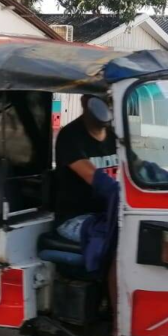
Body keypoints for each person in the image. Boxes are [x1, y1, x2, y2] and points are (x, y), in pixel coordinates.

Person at [54, 95, 118, 242]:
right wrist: (121, 194)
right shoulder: (70, 136)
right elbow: (93, 175)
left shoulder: (114, 136)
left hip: (108, 213)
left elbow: (137, 165)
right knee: (116, 242)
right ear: (85, 102)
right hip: (75, 219)